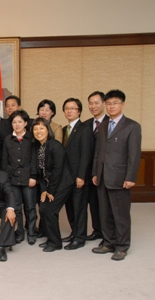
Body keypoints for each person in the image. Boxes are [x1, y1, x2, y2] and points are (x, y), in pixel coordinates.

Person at [92, 89, 141, 261]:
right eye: (109, 103)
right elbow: (98, 152)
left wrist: (131, 177)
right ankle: (108, 242)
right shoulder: (104, 125)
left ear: (123, 104)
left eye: (115, 103)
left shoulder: (132, 126)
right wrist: (95, 173)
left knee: (120, 214)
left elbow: (134, 155)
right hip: (102, 176)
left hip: (120, 177)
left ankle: (122, 246)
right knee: (104, 212)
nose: (111, 106)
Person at [31, 118, 74, 252]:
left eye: (42, 128)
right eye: (35, 129)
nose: (38, 131)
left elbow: (57, 171)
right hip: (50, 184)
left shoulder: (55, 145)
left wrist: (50, 191)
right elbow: (41, 173)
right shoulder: (38, 147)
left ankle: (55, 243)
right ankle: (51, 239)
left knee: (50, 210)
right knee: (43, 208)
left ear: (48, 130)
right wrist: (44, 190)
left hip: (63, 183)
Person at [61, 98, 93, 250]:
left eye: (73, 108)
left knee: (79, 208)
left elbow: (86, 154)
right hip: (66, 178)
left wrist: (81, 176)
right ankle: (74, 232)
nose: (69, 111)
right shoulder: (65, 129)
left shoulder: (85, 128)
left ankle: (80, 238)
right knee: (70, 207)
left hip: (78, 177)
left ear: (79, 111)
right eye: (67, 108)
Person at [1, 110, 37, 245]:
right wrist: (6, 178)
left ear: (26, 123)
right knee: (16, 207)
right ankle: (19, 232)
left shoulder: (31, 138)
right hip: (13, 178)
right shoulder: (8, 139)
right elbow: (5, 160)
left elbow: (34, 159)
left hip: (29, 178)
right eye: (14, 122)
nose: (17, 125)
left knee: (30, 207)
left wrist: (33, 176)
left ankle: (32, 233)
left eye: (20, 122)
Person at [83, 91, 108, 242]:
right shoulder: (86, 124)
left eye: (96, 102)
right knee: (93, 203)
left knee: (105, 204)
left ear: (104, 103)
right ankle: (97, 230)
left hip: (104, 171)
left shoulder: (110, 123)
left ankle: (108, 234)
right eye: (90, 103)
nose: (93, 106)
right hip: (88, 171)